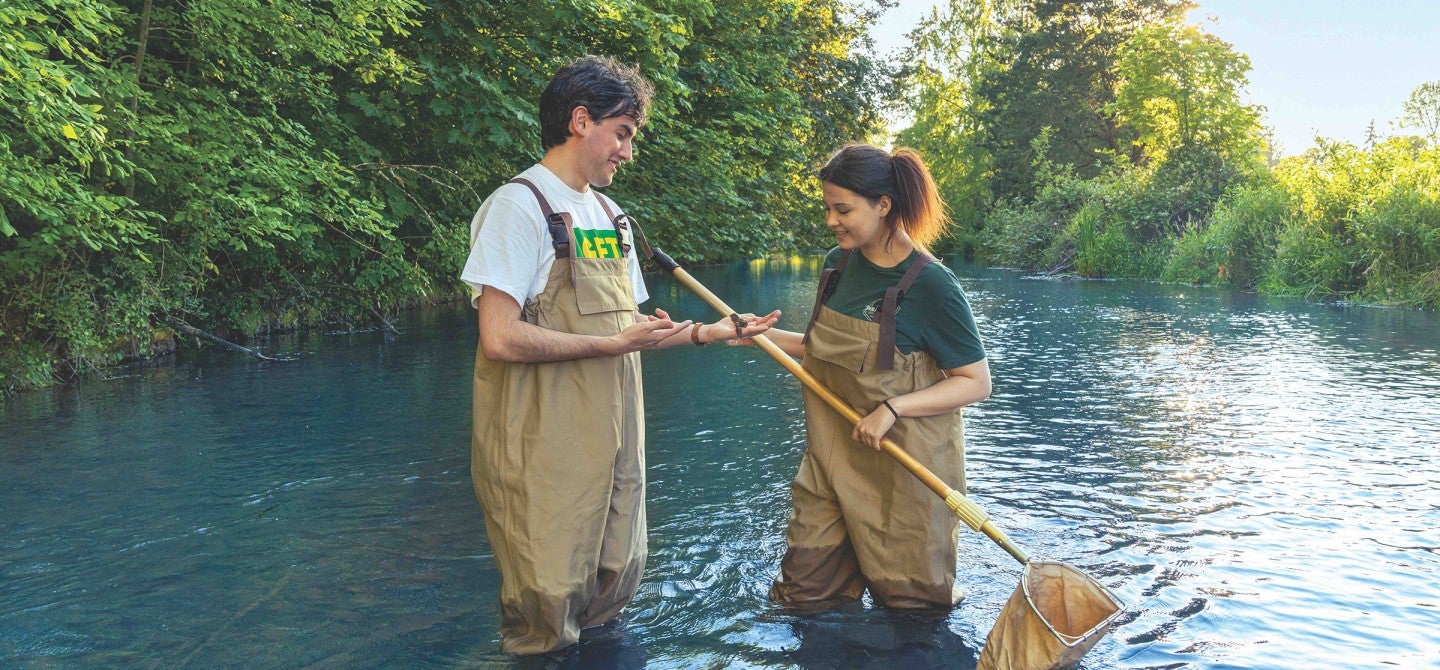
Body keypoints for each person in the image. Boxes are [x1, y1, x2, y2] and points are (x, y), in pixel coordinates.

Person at [459, 55, 778, 655]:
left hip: (616, 436)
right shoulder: (517, 206)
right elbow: (498, 337)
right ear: (581, 121)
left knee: (614, 584)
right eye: (623, 133)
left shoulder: (612, 218)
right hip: (540, 440)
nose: (627, 152)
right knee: (546, 605)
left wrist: (710, 333)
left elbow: (630, 326)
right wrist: (609, 344)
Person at [750, 143, 991, 612]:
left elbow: (975, 382)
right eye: (827, 208)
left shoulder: (932, 284)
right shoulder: (835, 266)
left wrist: (893, 408)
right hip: (830, 458)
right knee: (803, 597)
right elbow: (819, 346)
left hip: (905, 470)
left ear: (883, 205)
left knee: (912, 615)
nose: (830, 221)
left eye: (843, 209)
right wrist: (758, 333)